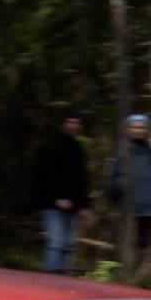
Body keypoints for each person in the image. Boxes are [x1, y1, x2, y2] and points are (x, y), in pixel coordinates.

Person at [34, 110, 91, 274]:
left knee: (68, 245)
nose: (73, 126)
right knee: (56, 243)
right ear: (64, 124)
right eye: (70, 122)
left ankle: (63, 279)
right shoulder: (51, 146)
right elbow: (44, 175)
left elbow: (82, 179)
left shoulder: (78, 149)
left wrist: (84, 206)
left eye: (77, 123)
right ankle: (51, 277)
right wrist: (56, 198)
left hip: (73, 206)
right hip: (52, 205)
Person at [108, 113, 151, 263]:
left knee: (147, 247)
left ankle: (143, 273)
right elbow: (115, 178)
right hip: (130, 208)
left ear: (147, 130)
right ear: (127, 129)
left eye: (141, 128)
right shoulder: (122, 152)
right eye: (134, 127)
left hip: (150, 209)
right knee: (127, 245)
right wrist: (118, 197)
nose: (138, 131)